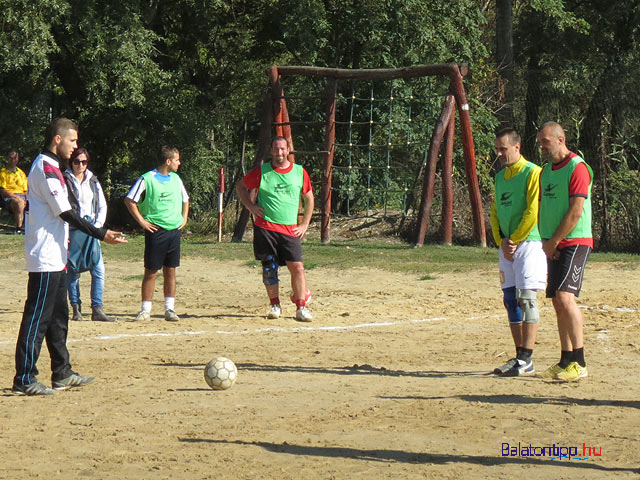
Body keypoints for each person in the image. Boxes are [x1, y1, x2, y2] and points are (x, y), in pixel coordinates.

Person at [13, 118, 127, 396]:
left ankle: (61, 373)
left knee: (59, 316)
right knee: (37, 318)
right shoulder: (45, 167)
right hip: (45, 257)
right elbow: (65, 212)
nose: (75, 146)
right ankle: (24, 378)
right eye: (73, 140)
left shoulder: (56, 168)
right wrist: (101, 233)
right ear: (57, 139)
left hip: (57, 256)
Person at [236, 136, 314, 322]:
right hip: (266, 228)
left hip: (290, 229)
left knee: (298, 267)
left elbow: (309, 198)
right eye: (276, 149)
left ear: (288, 150)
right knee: (269, 268)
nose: (279, 153)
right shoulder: (261, 172)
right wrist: (251, 207)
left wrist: (304, 224)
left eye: (282, 149)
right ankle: (275, 305)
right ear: (271, 151)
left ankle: (301, 306)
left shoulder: (299, 172)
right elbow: (241, 187)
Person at [537, 121, 593, 381]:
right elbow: (543, 209)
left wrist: (555, 241)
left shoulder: (577, 167)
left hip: (575, 241)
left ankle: (580, 362)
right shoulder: (545, 171)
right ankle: (565, 359)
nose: (541, 147)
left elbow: (575, 212)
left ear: (560, 139)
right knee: (557, 301)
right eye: (540, 142)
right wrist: (546, 241)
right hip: (553, 243)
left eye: (545, 142)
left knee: (566, 297)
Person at [490, 128, 547, 377]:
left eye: (504, 148)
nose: (500, 153)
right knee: (510, 299)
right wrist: (501, 240)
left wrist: (515, 239)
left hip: (529, 243)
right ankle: (518, 357)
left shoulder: (533, 172)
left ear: (517, 147)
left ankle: (527, 358)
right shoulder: (500, 177)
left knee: (527, 299)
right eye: (497, 149)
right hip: (507, 246)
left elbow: (533, 211)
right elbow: (494, 212)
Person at [124, 146, 189, 322]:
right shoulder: (147, 178)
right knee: (151, 271)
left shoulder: (176, 179)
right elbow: (130, 200)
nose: (179, 163)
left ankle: (170, 309)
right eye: (176, 160)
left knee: (171, 271)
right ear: (168, 162)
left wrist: (184, 218)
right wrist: (142, 222)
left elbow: (185, 199)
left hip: (173, 231)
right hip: (156, 231)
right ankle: (145, 310)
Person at [64, 147, 115, 322]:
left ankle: (97, 308)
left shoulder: (93, 181)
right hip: (72, 229)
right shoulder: (64, 180)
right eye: (77, 161)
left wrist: (98, 227)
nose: (80, 165)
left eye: (84, 162)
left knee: (98, 269)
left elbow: (102, 206)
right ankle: (76, 307)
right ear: (71, 162)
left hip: (91, 228)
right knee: (72, 270)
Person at [0, 149, 28, 233]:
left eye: (15, 158)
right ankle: (19, 229)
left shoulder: (21, 173)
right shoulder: (3, 173)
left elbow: (25, 190)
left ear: (17, 159)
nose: (13, 160)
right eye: (11, 158)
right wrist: (17, 197)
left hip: (22, 196)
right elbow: (2, 191)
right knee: (19, 203)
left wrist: (27, 199)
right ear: (7, 158)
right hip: (9, 198)